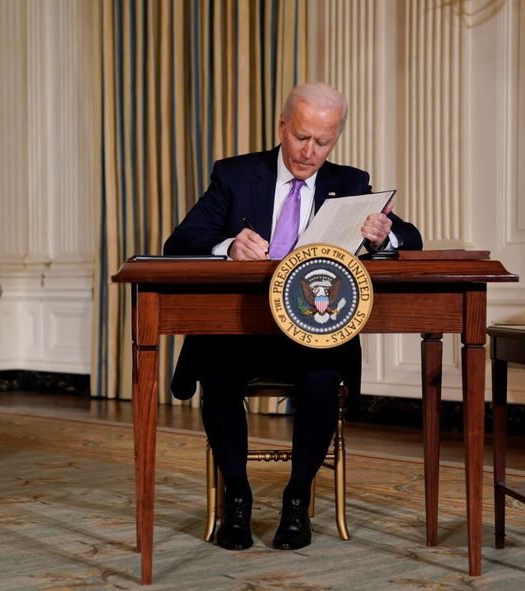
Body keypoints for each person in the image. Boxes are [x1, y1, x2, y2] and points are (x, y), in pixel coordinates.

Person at [163, 83, 422, 551]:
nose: (309, 151)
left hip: (313, 333)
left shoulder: (351, 183)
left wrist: (383, 236)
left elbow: (412, 239)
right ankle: (237, 498)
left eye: (323, 141)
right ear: (282, 126)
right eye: (301, 137)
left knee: (321, 381)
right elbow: (178, 243)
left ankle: (297, 500)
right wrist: (228, 246)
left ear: (336, 138)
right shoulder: (236, 175)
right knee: (217, 378)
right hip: (240, 329)